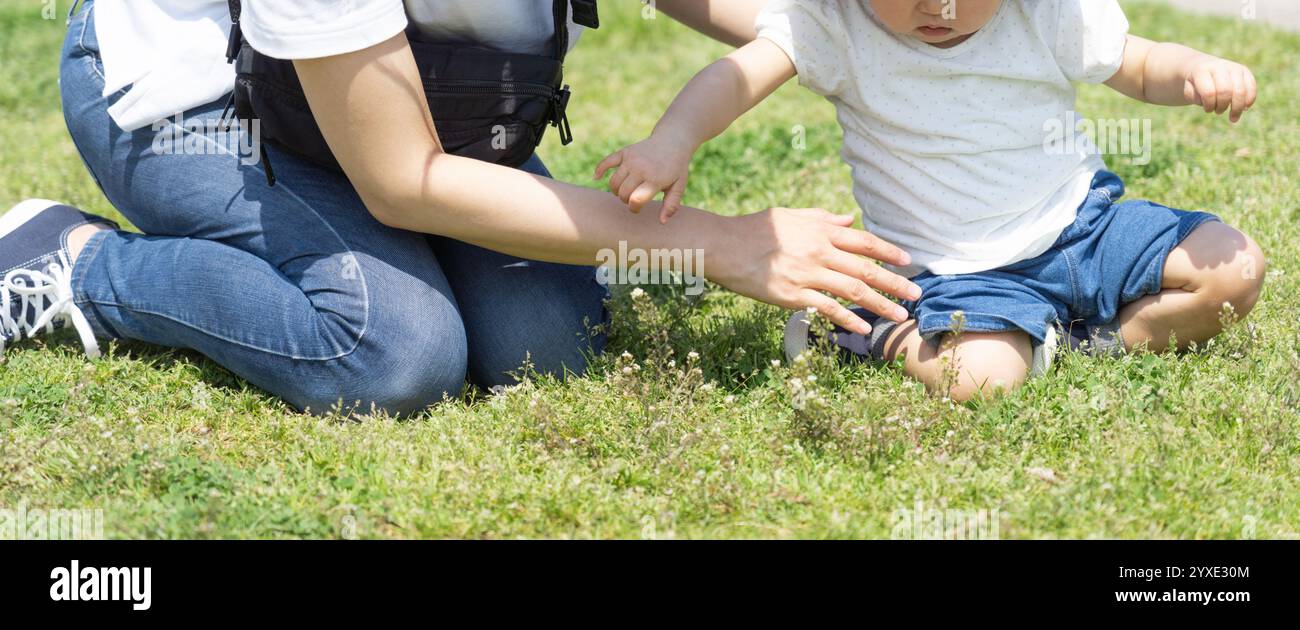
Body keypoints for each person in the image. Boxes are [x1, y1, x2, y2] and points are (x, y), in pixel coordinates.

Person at [0, 0, 921, 415]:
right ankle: (78, 263)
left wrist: (867, 25)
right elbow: (402, 182)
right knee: (390, 351)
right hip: (204, 107)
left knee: (547, 349)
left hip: (417, 108)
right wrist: (720, 244)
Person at [596, 0, 1267, 401]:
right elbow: (735, 77)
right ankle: (863, 328)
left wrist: (1194, 72)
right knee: (983, 382)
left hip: (1082, 230)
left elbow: (1143, 65)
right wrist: (672, 140)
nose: (937, 7)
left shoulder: (1045, 12)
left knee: (1233, 271)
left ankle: (1095, 345)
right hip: (954, 271)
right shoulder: (834, 25)